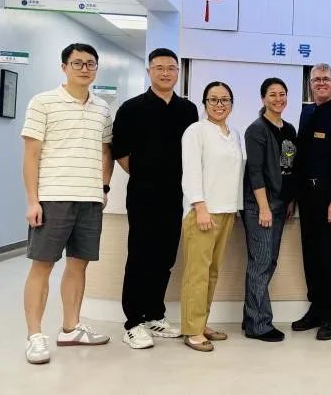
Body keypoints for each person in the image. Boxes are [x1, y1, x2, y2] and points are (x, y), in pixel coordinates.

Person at [21, 43, 114, 364]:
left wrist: (103, 187)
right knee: (42, 265)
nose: (85, 69)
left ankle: (71, 327)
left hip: (89, 200)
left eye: (90, 63)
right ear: (64, 67)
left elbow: (106, 151)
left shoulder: (102, 108)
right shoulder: (43, 102)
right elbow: (31, 154)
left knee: (78, 264)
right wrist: (32, 200)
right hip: (53, 197)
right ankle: (35, 336)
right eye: (77, 63)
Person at [111, 48, 198, 349]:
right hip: (143, 194)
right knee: (140, 256)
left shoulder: (188, 110)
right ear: (149, 71)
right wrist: (147, 174)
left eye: (171, 68)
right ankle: (133, 322)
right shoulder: (131, 108)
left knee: (165, 257)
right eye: (159, 67)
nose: (165, 73)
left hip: (175, 195)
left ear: (178, 72)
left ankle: (154, 315)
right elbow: (120, 152)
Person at [291, 63, 331, 341]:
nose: (321, 83)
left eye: (326, 79)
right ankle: (316, 308)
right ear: (310, 84)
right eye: (316, 79)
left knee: (329, 257)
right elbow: (298, 157)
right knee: (310, 254)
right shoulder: (306, 112)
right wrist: (293, 196)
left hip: (329, 198)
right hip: (306, 196)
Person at [180, 81, 244, 352]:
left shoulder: (234, 134)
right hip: (203, 213)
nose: (219, 105)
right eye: (213, 99)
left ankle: (202, 322)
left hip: (226, 211)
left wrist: (235, 207)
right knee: (197, 273)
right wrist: (200, 206)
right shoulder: (196, 131)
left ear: (231, 104)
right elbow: (191, 171)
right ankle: (192, 330)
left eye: (225, 100)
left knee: (212, 272)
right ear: (205, 103)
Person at [242, 78, 298, 342]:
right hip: (260, 206)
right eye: (272, 94)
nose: (278, 99)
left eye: (282, 94)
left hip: (280, 204)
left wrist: (290, 200)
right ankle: (259, 324)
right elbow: (255, 172)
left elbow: (289, 169)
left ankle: (251, 317)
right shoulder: (256, 130)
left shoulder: (289, 129)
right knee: (261, 263)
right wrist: (263, 207)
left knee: (268, 261)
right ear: (263, 98)